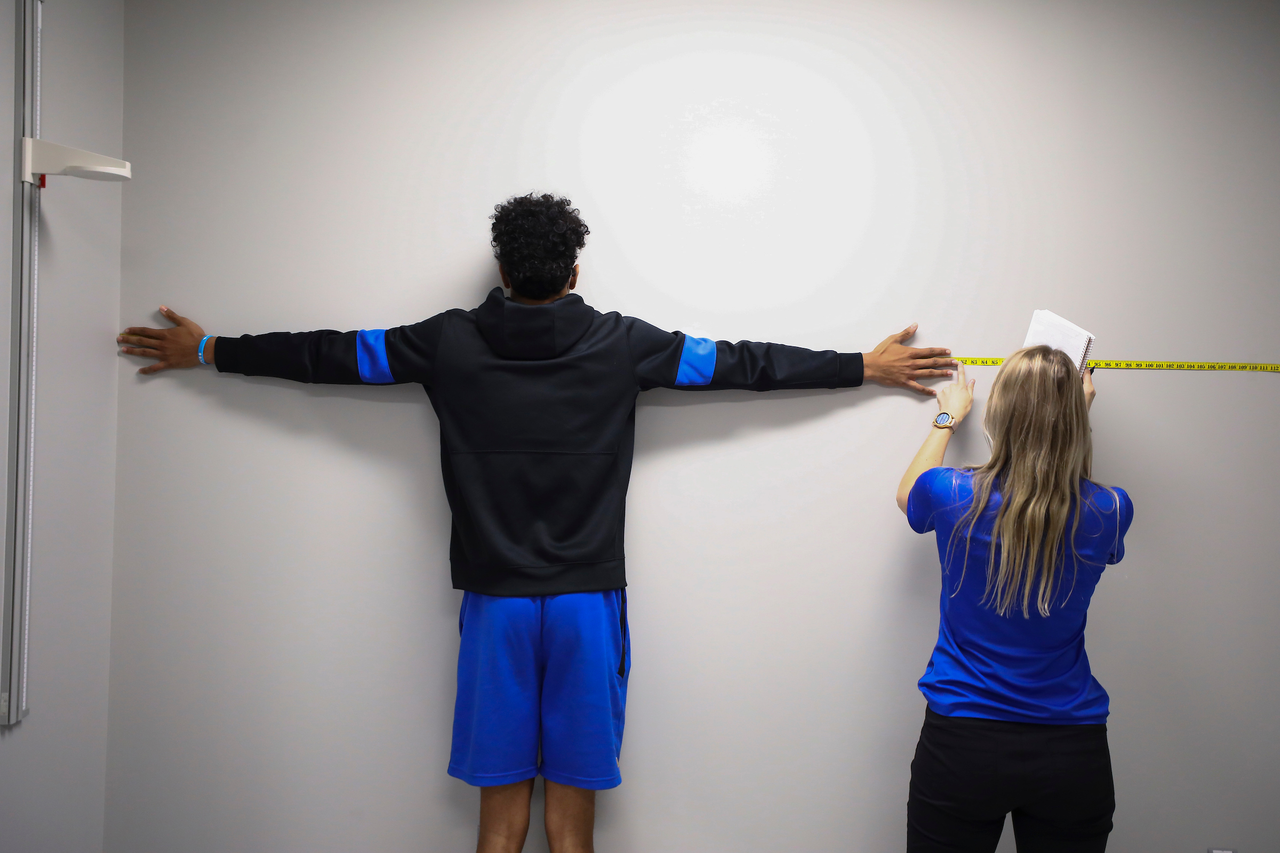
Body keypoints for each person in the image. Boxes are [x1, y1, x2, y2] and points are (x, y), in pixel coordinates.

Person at [118, 192, 957, 853]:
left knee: (497, 831)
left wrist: (209, 349)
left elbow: (326, 354)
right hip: (588, 607)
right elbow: (745, 364)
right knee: (571, 834)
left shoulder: (444, 342)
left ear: (501, 265)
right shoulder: (623, 344)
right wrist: (864, 364)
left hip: (498, 610)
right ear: (575, 270)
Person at [895, 349, 1134, 852]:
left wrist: (947, 416)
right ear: (1074, 420)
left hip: (963, 744)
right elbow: (1056, 489)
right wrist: (1068, 410)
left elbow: (907, 494)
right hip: (1070, 752)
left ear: (997, 415)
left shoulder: (951, 493)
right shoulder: (1110, 509)